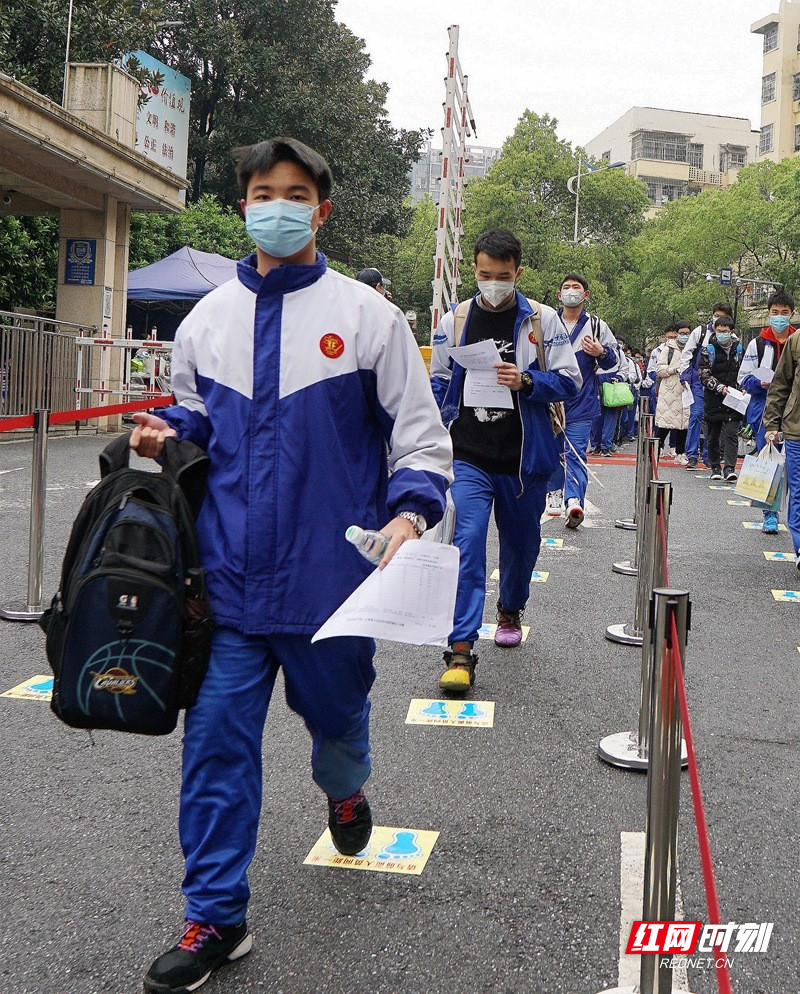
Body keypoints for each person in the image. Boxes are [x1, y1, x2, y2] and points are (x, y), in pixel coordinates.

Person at [130, 137, 453, 994]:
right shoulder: (206, 321)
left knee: (337, 724)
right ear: (243, 206)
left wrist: (412, 513)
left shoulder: (372, 319)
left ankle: (345, 793)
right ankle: (216, 918)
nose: (279, 204)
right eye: (264, 192)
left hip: (334, 587)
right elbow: (196, 424)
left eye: (297, 191)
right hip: (228, 585)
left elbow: (421, 442)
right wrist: (167, 434)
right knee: (216, 752)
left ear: (322, 208)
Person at [430, 229, 581, 693]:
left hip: (523, 460)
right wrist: (430, 428)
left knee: (520, 544)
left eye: (502, 276)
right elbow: (438, 380)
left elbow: (570, 382)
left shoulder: (542, 319)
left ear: (518, 272)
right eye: (483, 275)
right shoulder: (455, 319)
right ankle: (460, 649)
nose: (492, 284)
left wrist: (529, 382)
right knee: (468, 541)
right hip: (469, 455)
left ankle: (511, 607)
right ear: (473, 270)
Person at [544, 273, 619, 525]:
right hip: (551, 401)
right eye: (566, 287)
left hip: (583, 401)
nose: (571, 291)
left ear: (586, 295)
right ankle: (553, 492)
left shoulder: (597, 326)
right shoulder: (547, 321)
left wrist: (601, 352)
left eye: (576, 288)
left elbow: (614, 361)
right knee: (550, 452)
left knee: (575, 453)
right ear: (559, 295)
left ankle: (574, 501)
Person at [738, 290, 797, 533]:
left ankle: (794, 514)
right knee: (769, 463)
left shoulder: (797, 340)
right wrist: (759, 383)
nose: (779, 317)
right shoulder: (758, 343)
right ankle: (769, 514)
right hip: (765, 410)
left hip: (794, 413)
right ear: (768, 314)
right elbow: (743, 377)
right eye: (775, 313)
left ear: (792, 314)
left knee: (794, 469)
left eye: (784, 313)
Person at [763, 318, 800, 569]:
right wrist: (772, 424)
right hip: (796, 429)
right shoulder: (797, 341)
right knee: (798, 491)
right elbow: (780, 384)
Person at [680, 303, 734, 468]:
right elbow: (687, 353)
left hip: (720, 385)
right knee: (696, 415)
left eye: (722, 316)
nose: (718, 319)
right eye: (716, 315)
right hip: (698, 381)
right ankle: (691, 455)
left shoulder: (733, 338)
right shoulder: (700, 332)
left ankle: (709, 455)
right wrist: (684, 376)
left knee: (713, 421)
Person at [698, 314, 743, 482]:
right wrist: (719, 388)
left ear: (732, 332)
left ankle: (730, 468)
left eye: (725, 331)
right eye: (719, 331)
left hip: (734, 399)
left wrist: (742, 388)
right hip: (714, 399)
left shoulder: (739, 350)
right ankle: (715, 466)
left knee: (731, 433)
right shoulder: (707, 350)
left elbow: (744, 372)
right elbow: (703, 374)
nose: (722, 334)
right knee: (713, 435)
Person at [655, 324, 690, 464]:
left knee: (683, 424)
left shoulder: (692, 348)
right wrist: (674, 369)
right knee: (665, 422)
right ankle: (657, 448)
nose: (684, 336)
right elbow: (659, 369)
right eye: (681, 333)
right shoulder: (668, 349)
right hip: (669, 390)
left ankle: (680, 452)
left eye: (687, 333)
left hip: (686, 390)